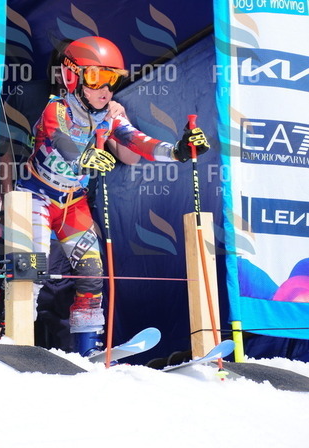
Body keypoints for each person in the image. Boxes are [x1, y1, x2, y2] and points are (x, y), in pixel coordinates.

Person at [16, 35, 210, 356]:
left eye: (113, 79)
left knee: (92, 274)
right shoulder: (57, 109)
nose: (105, 89)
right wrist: (83, 156)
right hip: (35, 197)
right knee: (30, 271)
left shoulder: (109, 115)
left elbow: (138, 142)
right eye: (96, 78)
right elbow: (59, 139)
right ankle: (15, 341)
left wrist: (178, 150)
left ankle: (87, 349)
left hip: (72, 204)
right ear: (72, 76)